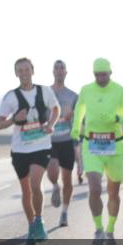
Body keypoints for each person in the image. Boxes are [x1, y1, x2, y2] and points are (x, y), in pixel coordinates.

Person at [70, 58, 123, 245]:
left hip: (115, 147)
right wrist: (76, 129)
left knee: (114, 193)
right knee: (95, 189)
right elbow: (78, 112)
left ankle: (110, 231)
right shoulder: (86, 90)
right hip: (92, 146)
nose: (100, 78)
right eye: (97, 74)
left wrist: (117, 118)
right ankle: (98, 230)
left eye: (103, 74)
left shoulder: (119, 91)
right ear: (93, 74)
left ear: (110, 73)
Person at [0, 58, 60, 245]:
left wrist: (50, 124)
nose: (24, 73)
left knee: (35, 183)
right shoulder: (10, 97)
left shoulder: (44, 91)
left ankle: (39, 219)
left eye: (26, 69)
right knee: (26, 191)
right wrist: (14, 119)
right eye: (20, 70)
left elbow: (55, 109)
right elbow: (0, 124)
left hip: (41, 146)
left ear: (33, 71)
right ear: (16, 73)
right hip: (19, 149)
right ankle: (32, 225)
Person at [45, 60, 82, 227]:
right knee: (53, 173)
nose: (59, 71)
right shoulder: (45, 93)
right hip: (50, 140)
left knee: (67, 179)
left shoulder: (73, 96)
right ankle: (54, 186)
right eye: (56, 68)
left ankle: (65, 212)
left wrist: (72, 116)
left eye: (62, 69)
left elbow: (79, 121)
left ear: (66, 73)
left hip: (67, 140)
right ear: (53, 72)